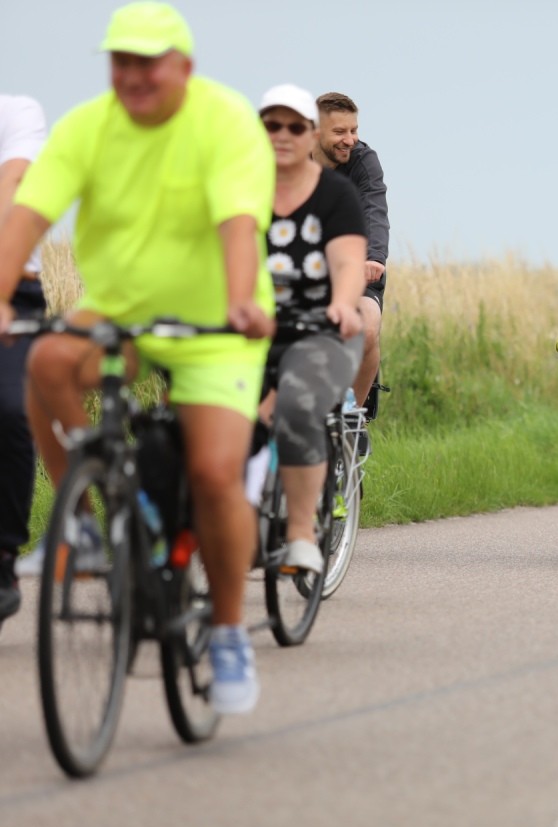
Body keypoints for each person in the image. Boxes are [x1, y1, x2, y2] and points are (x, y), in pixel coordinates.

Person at [0, 3, 275, 713]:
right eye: (121, 62)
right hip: (120, 309)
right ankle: (93, 522)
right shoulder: (88, 126)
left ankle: (224, 631)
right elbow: (27, 215)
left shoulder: (222, 121)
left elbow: (238, 223)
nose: (133, 76)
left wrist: (242, 301)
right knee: (48, 362)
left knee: (215, 471)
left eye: (148, 62)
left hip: (218, 316)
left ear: (183, 66)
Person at [258, 83, 365, 573]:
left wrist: (344, 305)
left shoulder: (336, 194)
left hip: (320, 329)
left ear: (309, 136)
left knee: (297, 407)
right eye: (270, 125)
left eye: (293, 127)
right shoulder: (241, 190)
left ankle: (301, 532)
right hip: (252, 329)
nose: (282, 135)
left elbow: (347, 264)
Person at [0, 94, 48, 629]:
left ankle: (3, 558)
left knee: (11, 412)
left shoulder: (17, 113)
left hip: (17, 293)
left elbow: (11, 189)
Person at [313, 92, 388, 417]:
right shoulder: (289, 162)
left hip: (358, 264)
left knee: (367, 329)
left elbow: (374, 207)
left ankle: (353, 418)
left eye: (354, 130)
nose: (350, 140)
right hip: (304, 266)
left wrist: (374, 257)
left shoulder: (362, 161)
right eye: (340, 132)